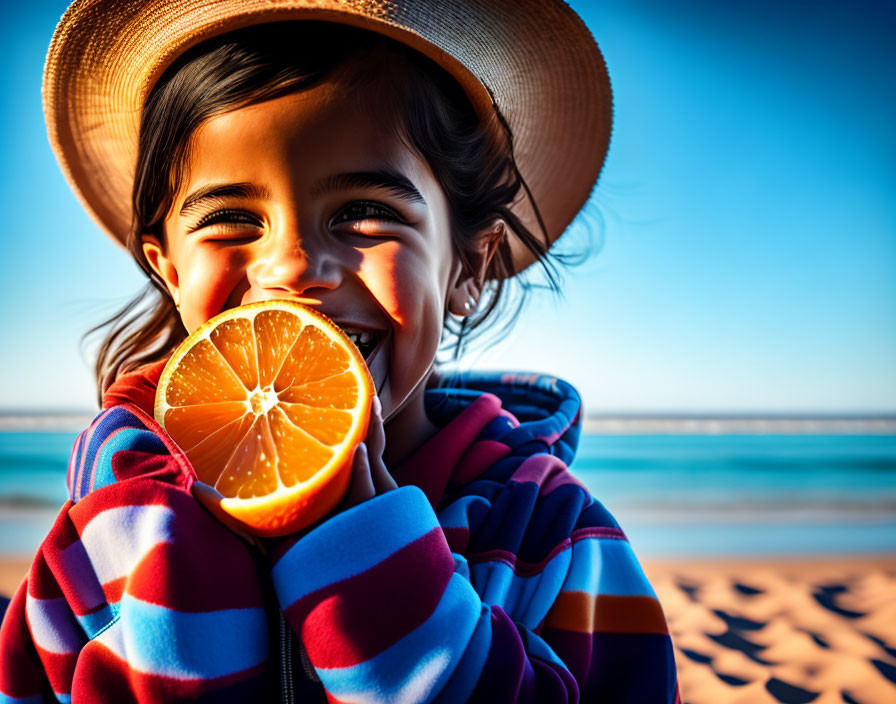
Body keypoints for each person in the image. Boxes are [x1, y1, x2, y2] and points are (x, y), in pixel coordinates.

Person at [0, 1, 680, 701]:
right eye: (233, 219)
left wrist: (388, 596)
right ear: (169, 272)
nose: (293, 268)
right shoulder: (101, 534)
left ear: (469, 268)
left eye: (367, 212)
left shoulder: (553, 537)